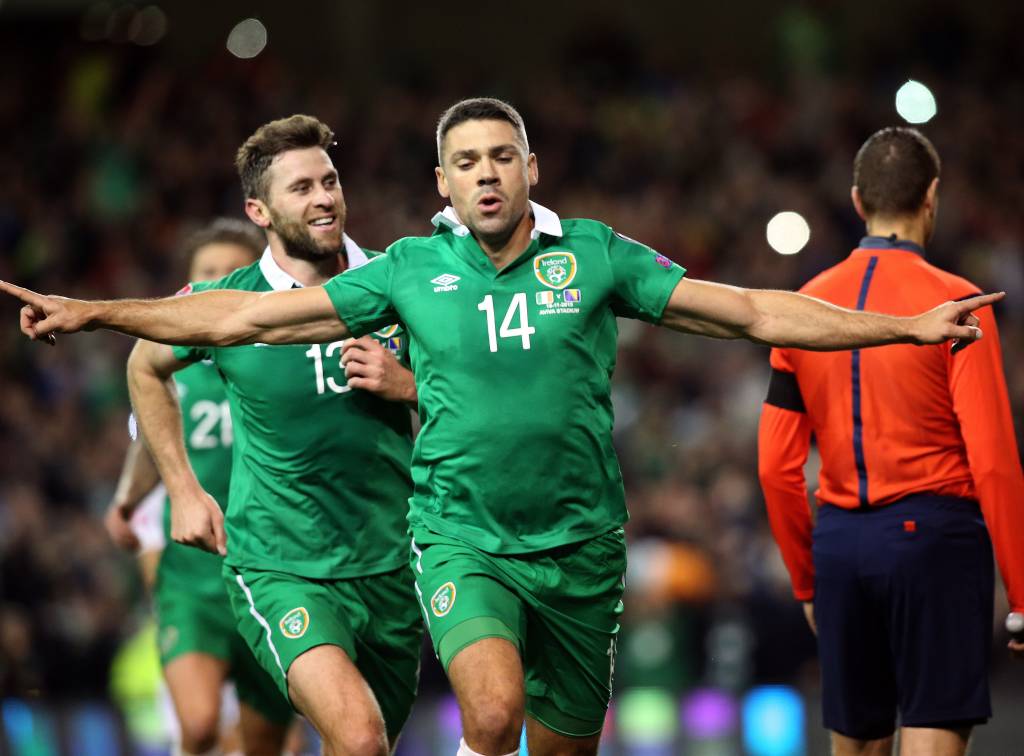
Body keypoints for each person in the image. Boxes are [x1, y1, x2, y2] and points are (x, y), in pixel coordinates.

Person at [1, 99, 1002, 756]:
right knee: (487, 711)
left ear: (531, 167)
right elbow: (240, 319)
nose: (484, 174)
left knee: (560, 741)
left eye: (500, 157)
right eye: (463, 162)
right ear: (440, 184)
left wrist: (905, 326)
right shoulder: (406, 271)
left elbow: (748, 310)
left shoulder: (596, 257)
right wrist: (97, 313)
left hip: (578, 547)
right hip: (455, 539)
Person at [114, 116, 424, 755]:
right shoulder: (226, 302)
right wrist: (182, 490)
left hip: (390, 565)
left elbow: (475, 391)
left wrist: (411, 386)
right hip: (280, 564)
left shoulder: (399, 281)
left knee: (362, 747)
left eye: (329, 181)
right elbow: (144, 364)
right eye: (301, 188)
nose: (324, 198)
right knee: (359, 738)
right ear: (259, 210)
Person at [757, 126, 1024, 756]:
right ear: (932, 197)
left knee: (856, 743)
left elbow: (775, 466)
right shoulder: (959, 305)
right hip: (936, 542)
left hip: (841, 547)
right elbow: (993, 461)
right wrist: (1020, 592)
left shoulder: (804, 307)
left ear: (857, 201)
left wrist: (807, 582)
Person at [103, 219, 297, 756]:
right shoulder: (166, 369)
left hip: (271, 571)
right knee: (199, 724)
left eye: (231, 272)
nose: (217, 283)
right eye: (206, 273)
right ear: (187, 287)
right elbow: (150, 448)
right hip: (191, 581)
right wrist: (126, 501)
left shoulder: (284, 362)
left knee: (265, 743)